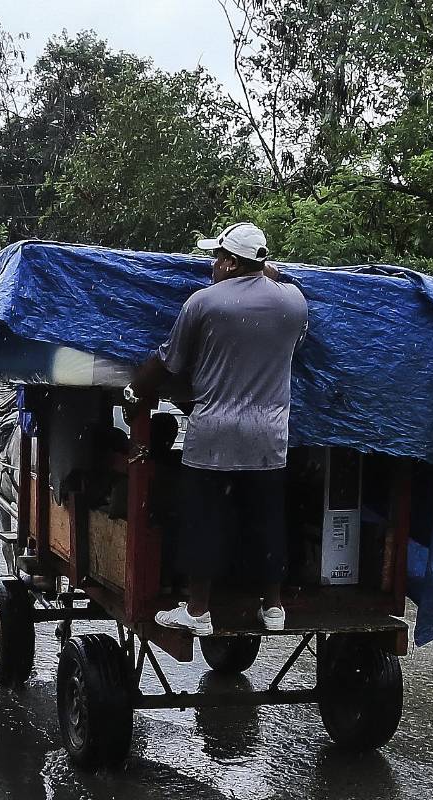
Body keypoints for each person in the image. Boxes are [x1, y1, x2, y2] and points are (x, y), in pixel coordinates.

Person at [127, 222, 308, 636]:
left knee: (205, 521)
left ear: (230, 262)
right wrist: (269, 277)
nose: (211, 265)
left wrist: (134, 391)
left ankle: (197, 611)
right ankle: (275, 608)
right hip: (269, 437)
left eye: (216, 258)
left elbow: (170, 360)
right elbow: (295, 339)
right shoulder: (294, 303)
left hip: (214, 434)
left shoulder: (204, 303)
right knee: (267, 521)